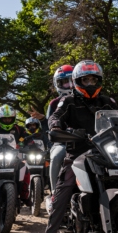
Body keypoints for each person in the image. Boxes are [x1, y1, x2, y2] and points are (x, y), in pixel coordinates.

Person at [41, 60, 118, 233]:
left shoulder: (107, 101)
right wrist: (56, 127)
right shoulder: (69, 101)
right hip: (79, 152)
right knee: (64, 188)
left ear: (99, 81)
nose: (90, 83)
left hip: (106, 151)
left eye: (93, 79)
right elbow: (56, 117)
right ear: (77, 81)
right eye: (85, 80)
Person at [29, 65, 74, 208]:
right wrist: (44, 120)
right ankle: (55, 194)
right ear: (58, 84)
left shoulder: (87, 99)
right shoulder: (54, 103)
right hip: (62, 142)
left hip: (87, 141)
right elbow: (49, 126)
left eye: (72, 80)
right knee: (58, 155)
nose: (69, 85)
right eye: (65, 82)